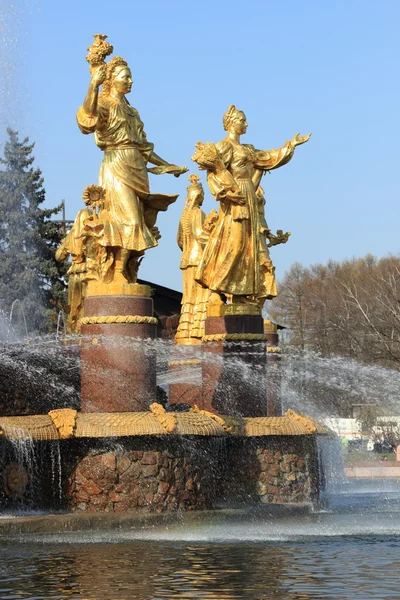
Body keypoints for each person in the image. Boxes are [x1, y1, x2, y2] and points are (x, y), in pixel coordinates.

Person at [76, 55, 187, 282]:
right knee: (127, 221)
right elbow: (86, 120)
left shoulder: (132, 111)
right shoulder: (104, 103)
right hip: (116, 163)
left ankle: (127, 269)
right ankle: (116, 271)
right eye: (125, 77)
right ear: (112, 79)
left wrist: (166, 166)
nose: (130, 81)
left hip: (136, 167)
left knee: (142, 219)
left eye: (131, 77)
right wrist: (92, 85)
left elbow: (144, 148)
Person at [192, 104, 310, 306]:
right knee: (233, 244)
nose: (246, 124)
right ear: (230, 123)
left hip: (250, 197)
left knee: (249, 248)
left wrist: (290, 145)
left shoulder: (248, 149)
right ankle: (214, 288)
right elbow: (213, 174)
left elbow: (270, 158)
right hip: (235, 198)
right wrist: (228, 193)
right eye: (242, 120)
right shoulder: (224, 147)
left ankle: (240, 293)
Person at [175, 175, 217, 344]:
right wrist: (216, 240)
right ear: (199, 196)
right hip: (198, 259)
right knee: (201, 295)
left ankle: (186, 333)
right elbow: (200, 235)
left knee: (188, 297)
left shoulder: (184, 216)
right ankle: (198, 331)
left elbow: (179, 240)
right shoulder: (198, 213)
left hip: (185, 260)